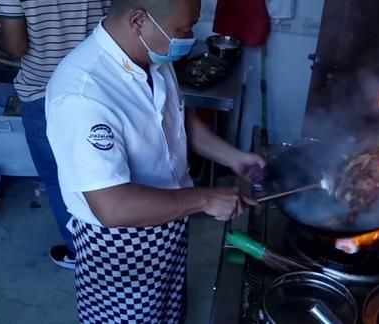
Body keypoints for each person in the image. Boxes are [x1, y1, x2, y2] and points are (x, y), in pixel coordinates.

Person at [45, 0, 264, 322]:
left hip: (170, 217)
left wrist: (233, 157)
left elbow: (173, 116)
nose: (189, 38)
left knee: (166, 310)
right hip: (119, 242)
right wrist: (205, 198)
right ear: (138, 20)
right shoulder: (82, 95)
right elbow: (112, 207)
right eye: (184, 29)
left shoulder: (147, 57)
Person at [0, 0, 112, 269]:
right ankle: (116, 249)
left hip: (44, 94)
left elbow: (16, 46)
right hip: (98, 86)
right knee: (105, 174)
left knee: (60, 180)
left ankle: (81, 253)